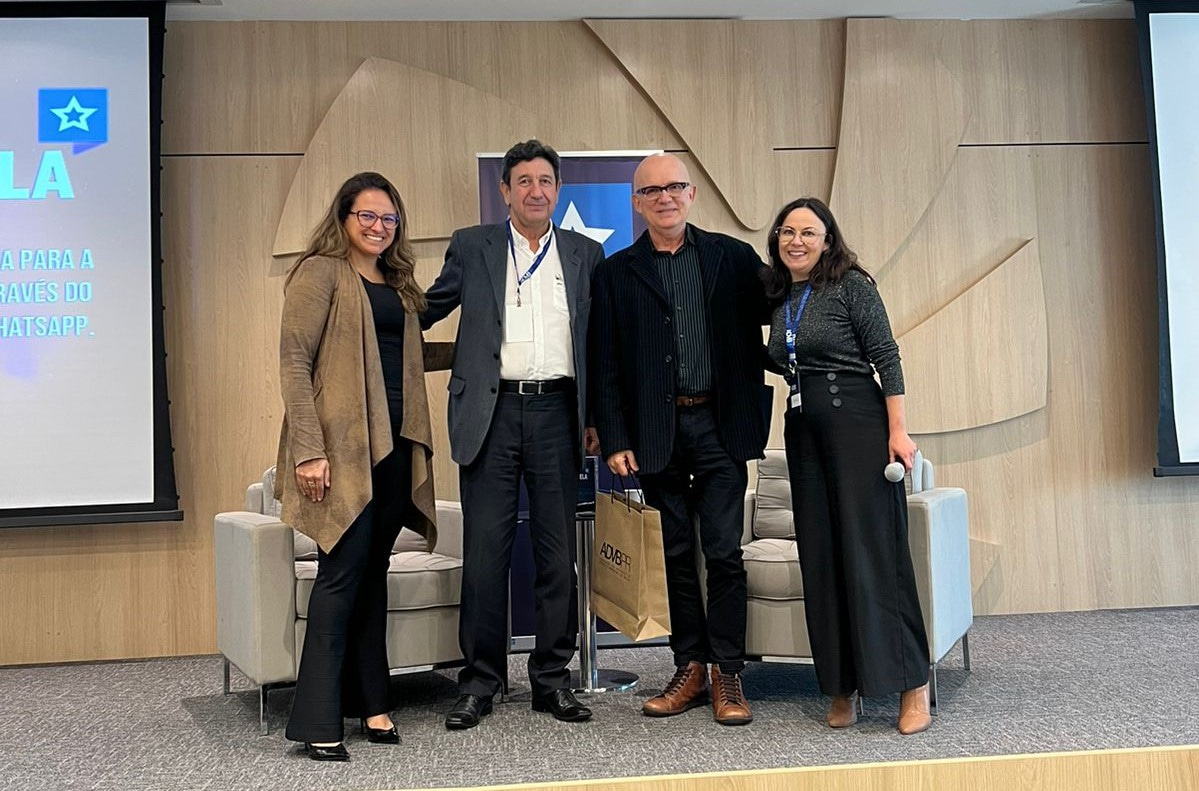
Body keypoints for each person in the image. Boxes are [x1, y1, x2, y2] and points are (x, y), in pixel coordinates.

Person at [422, 139, 605, 729]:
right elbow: (427, 308)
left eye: (545, 181)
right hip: (491, 414)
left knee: (557, 556)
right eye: (523, 181)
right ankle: (480, 681)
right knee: (485, 556)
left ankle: (551, 681)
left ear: (558, 189)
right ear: (504, 191)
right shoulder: (472, 246)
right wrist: (368, 299)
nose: (535, 191)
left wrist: (598, 418)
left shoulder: (583, 253)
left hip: (558, 413)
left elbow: (599, 341)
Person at [590, 153, 770, 726]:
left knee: (723, 554)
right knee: (672, 556)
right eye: (651, 191)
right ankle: (689, 667)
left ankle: (728, 672)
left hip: (720, 426)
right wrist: (615, 436)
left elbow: (785, 304)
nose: (664, 197)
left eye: (674, 187)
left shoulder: (732, 258)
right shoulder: (615, 273)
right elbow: (605, 362)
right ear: (636, 203)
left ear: (691, 194)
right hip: (654, 435)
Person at [276, 172, 442, 761]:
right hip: (342, 452)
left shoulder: (398, 283)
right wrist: (308, 450)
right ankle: (316, 720)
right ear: (343, 218)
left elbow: (409, 355)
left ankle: (372, 704)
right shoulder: (319, 272)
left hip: (396, 449)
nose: (378, 227)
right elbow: (294, 362)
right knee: (341, 575)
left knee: (374, 575)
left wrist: (485, 351)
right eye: (366, 216)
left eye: (388, 218)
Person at [762, 196, 932, 735]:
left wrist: (898, 430)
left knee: (872, 554)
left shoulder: (852, 285)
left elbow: (886, 356)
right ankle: (841, 686)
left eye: (808, 233)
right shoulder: (778, 294)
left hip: (858, 424)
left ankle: (912, 685)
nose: (796, 241)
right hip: (803, 429)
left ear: (828, 240)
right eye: (788, 232)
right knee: (822, 557)